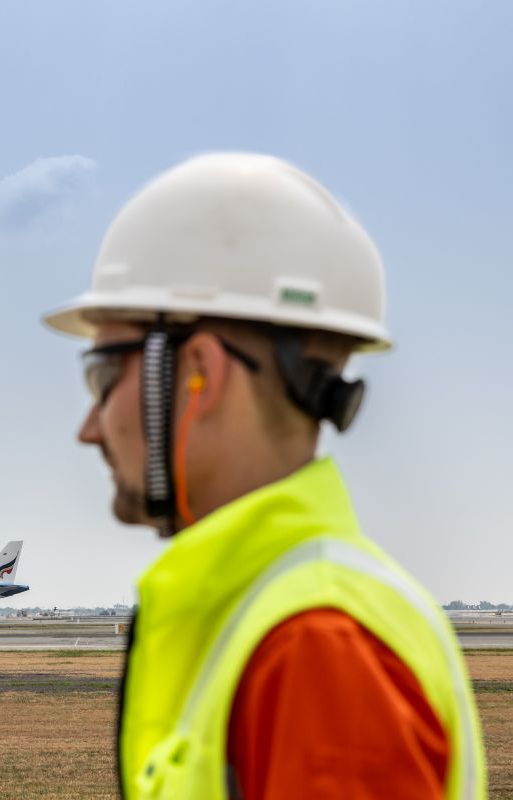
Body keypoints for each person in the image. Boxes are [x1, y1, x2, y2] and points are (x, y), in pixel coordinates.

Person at [43, 153, 484, 799]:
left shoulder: (318, 649)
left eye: (104, 377)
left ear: (200, 373)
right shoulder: (276, 614)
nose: (89, 427)